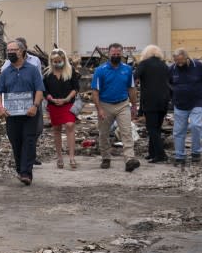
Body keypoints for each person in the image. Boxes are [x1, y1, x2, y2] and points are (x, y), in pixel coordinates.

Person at [0, 39, 45, 185]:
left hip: (29, 113)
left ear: (22, 51)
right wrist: (0, 107)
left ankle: (26, 173)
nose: (10, 53)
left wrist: (35, 106)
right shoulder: (5, 72)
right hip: (11, 115)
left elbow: (39, 90)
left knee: (29, 140)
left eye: (13, 50)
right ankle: (20, 169)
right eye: (8, 50)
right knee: (15, 141)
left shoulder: (32, 69)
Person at [91, 43, 140, 172]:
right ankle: (106, 157)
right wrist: (99, 109)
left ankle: (129, 159)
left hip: (123, 104)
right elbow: (95, 92)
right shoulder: (100, 70)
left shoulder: (127, 70)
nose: (116, 56)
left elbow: (131, 88)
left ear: (122, 54)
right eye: (114, 54)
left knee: (126, 132)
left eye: (118, 54)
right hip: (105, 104)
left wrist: (134, 105)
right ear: (109, 54)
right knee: (104, 133)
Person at [169, 48, 202, 166]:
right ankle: (179, 155)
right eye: (176, 60)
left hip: (196, 102)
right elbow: (168, 82)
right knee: (179, 131)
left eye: (181, 60)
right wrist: (174, 93)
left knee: (196, 125)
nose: (179, 63)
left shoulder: (198, 66)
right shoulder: (172, 69)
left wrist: (201, 92)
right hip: (179, 103)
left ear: (187, 57)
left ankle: (196, 152)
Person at [43, 48, 80, 169]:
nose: (57, 63)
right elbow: (44, 90)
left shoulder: (70, 71)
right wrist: (51, 99)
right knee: (57, 129)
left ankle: (71, 157)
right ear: (51, 61)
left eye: (59, 60)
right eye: (54, 61)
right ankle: (59, 157)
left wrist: (66, 99)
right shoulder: (47, 74)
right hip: (53, 105)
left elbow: (75, 88)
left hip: (68, 103)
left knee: (70, 125)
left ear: (64, 60)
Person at [135, 44, 170, 163]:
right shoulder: (164, 65)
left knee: (151, 129)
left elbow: (134, 77)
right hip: (164, 101)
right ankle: (152, 152)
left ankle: (161, 155)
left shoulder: (144, 64)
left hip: (150, 100)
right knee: (157, 128)